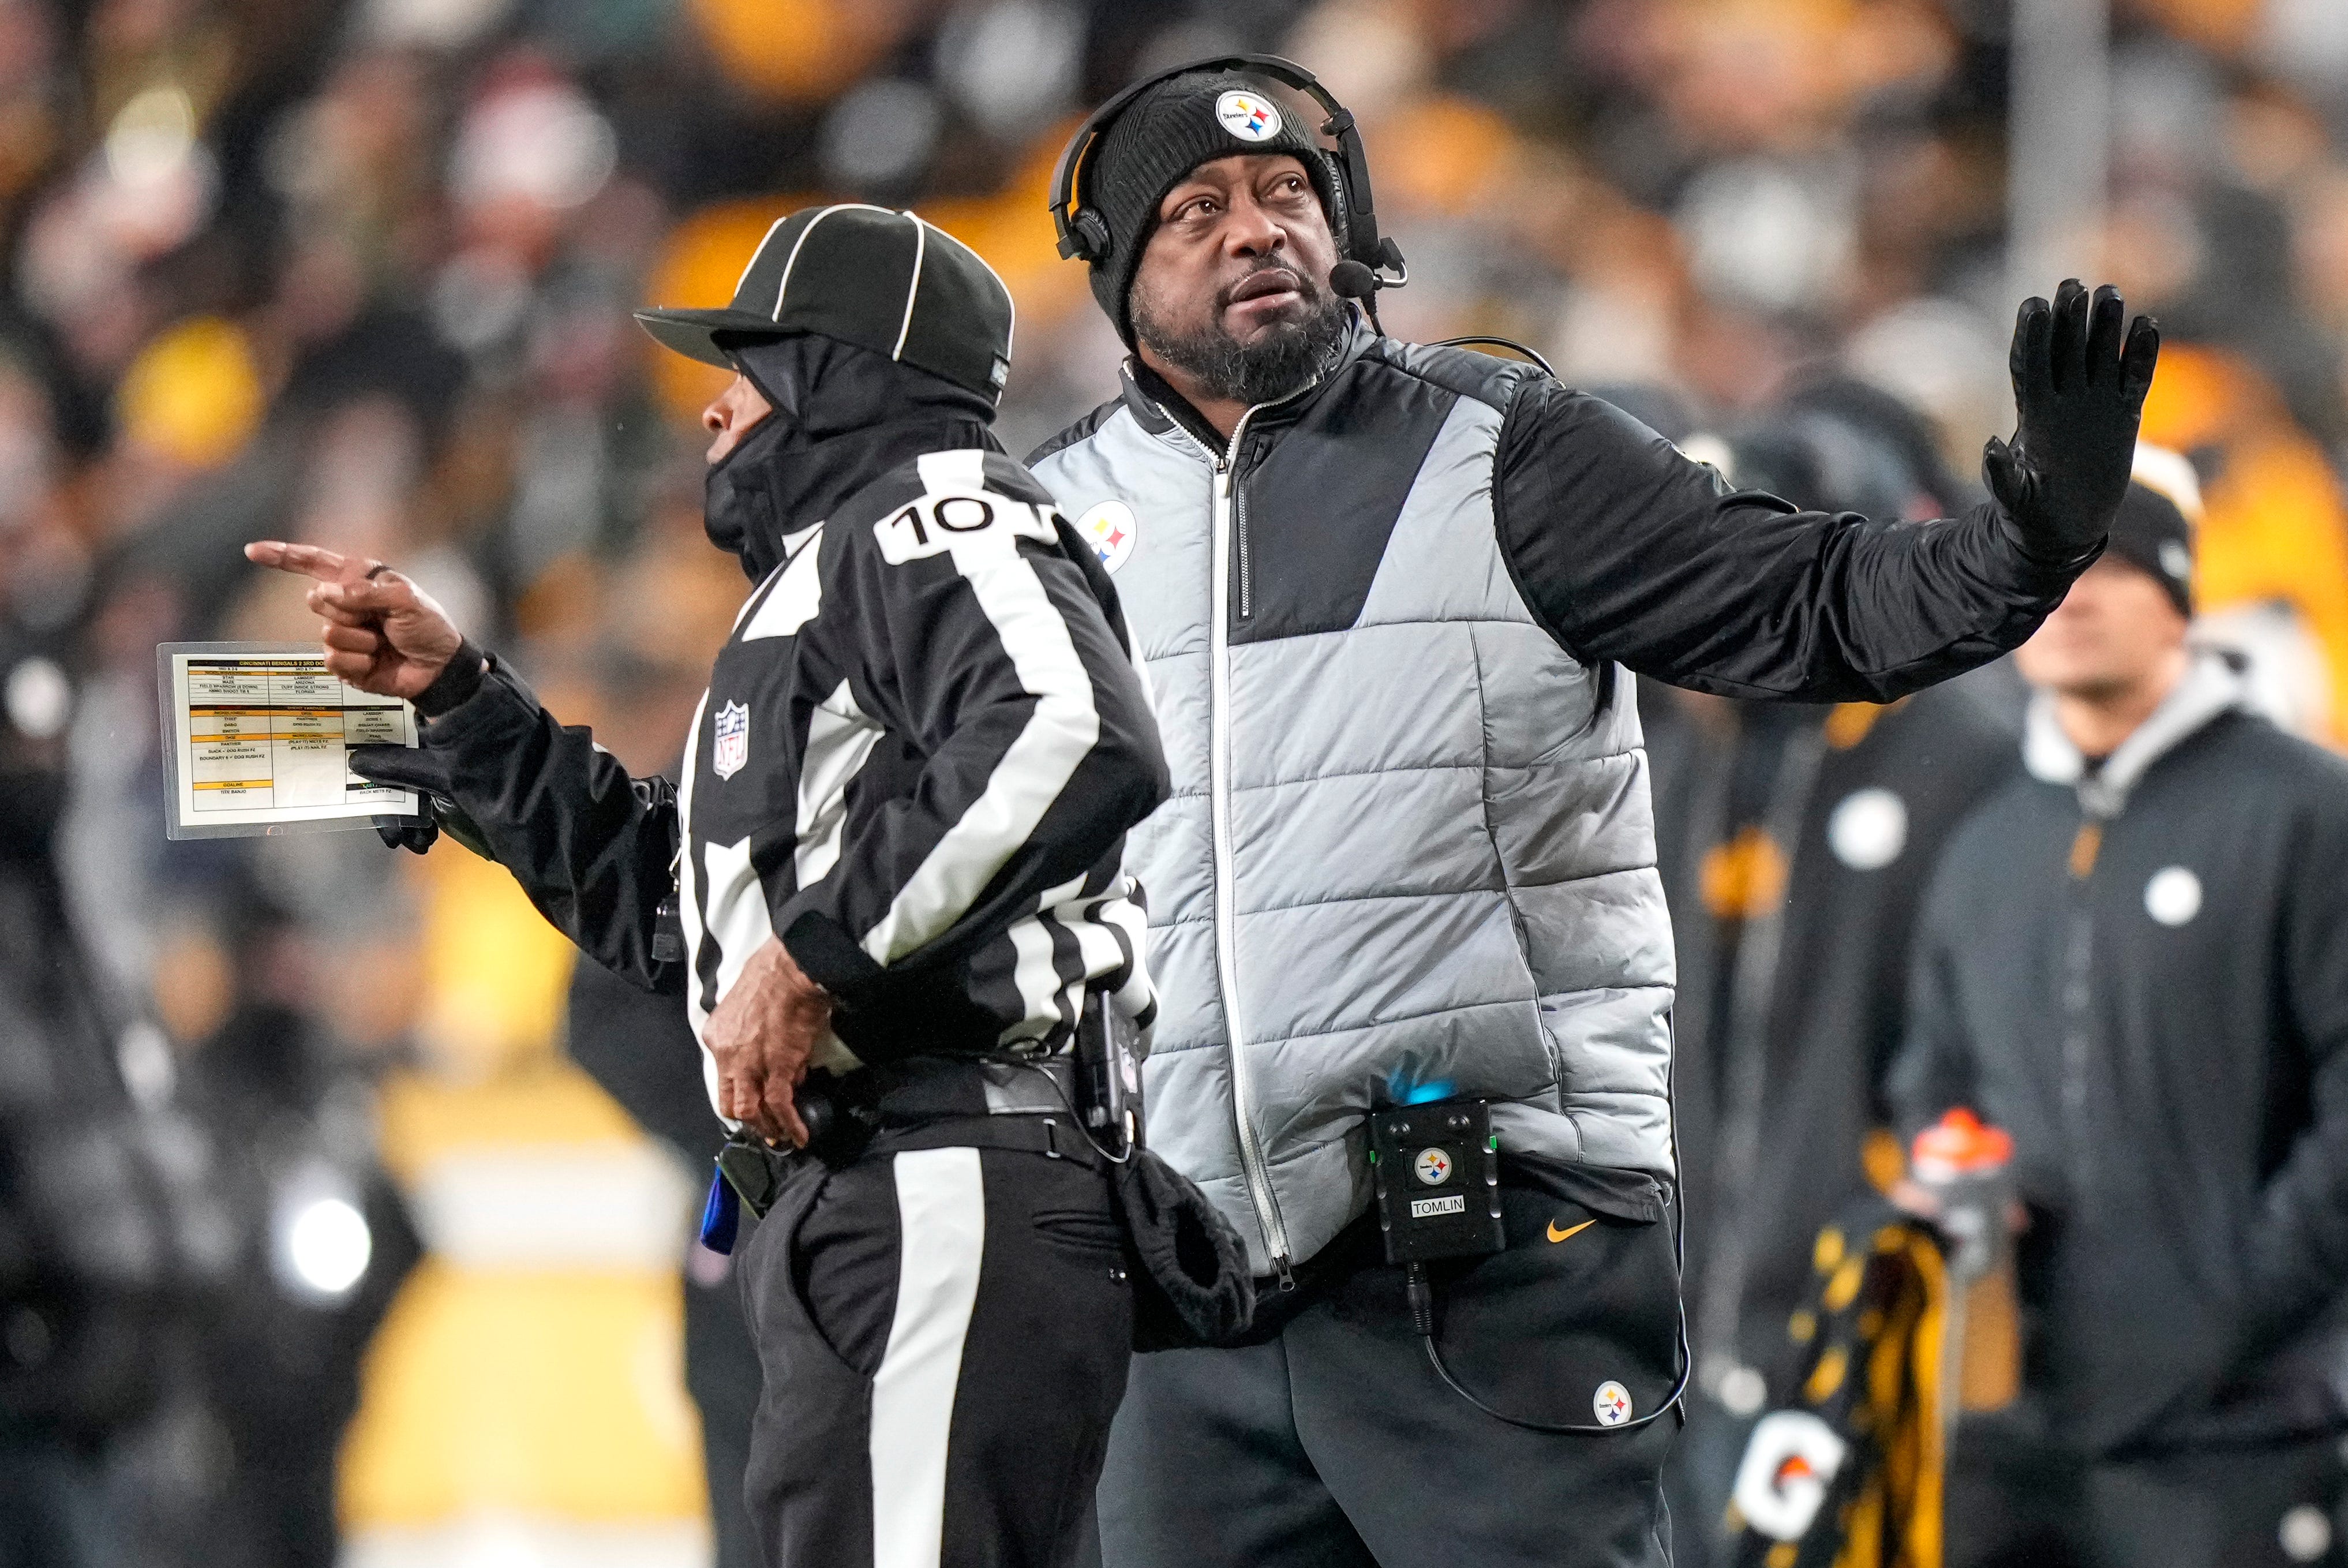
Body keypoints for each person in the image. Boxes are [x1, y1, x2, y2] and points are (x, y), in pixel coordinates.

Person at [1026, 54, 2158, 1568]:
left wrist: (2023, 543)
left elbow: (1811, 601)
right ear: (1108, 267)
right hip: (1181, 1288)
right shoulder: (1038, 523)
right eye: (1199, 209)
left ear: (1350, 228)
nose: (1256, 232)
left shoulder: (1504, 452)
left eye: (1288, 194)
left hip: (1479, 1253)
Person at [248, 203, 1172, 1568]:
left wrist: (812, 963)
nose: (715, 409)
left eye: (749, 365)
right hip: (872, 1185)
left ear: (838, 373)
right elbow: (676, 918)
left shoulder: (928, 514)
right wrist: (461, 703)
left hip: (935, 1160)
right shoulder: (827, 585)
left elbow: (1073, 731)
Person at [1888, 460, 2348, 1568]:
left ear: (2180, 591)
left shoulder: (2305, 809)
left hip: (2242, 1426)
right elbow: (1932, 1077)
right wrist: (1953, 1185)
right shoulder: (1988, 842)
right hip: (2018, 1424)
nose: (2076, 595)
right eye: (2052, 568)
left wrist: (2234, 1294)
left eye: (2118, 563)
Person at [1642, 388, 2020, 1568]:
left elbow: (1989, 1044)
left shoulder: (1961, 750)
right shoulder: (1674, 745)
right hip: (1670, 1324)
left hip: (1866, 1309)